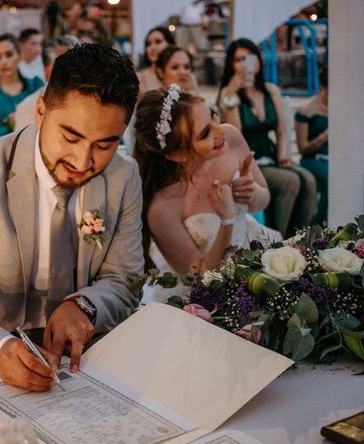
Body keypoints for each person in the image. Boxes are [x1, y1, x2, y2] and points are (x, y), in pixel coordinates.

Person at [0, 43, 143, 395]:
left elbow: (124, 279)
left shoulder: (124, 178)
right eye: (71, 136)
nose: (82, 161)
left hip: (83, 361)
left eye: (105, 145)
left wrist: (84, 306)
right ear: (40, 111)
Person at [135, 86, 274, 280]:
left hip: (258, 257)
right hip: (211, 293)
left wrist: (252, 193)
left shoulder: (231, 137)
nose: (220, 130)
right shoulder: (162, 208)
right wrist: (227, 219)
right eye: (205, 133)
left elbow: (264, 200)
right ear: (177, 154)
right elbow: (199, 278)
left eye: (213, 115)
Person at [218, 38, 316, 237]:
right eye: (238, 59)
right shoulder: (229, 95)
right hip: (248, 161)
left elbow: (281, 131)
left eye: (249, 57)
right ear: (231, 64)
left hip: (271, 155)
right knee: (290, 181)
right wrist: (233, 90)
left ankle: (299, 237)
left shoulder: (270, 90)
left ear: (259, 60)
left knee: (308, 179)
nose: (244, 63)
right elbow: (235, 134)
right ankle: (276, 239)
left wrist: (283, 156)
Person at [295, 66, 364, 224]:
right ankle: (323, 227)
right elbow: (302, 148)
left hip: (337, 158)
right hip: (313, 160)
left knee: (362, 178)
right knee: (334, 179)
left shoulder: (342, 108)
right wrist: (321, 138)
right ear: (323, 87)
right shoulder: (306, 111)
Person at [14, 35, 77, 132]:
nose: (72, 71)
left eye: (75, 65)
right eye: (63, 66)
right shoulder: (28, 108)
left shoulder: (95, 101)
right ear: (46, 72)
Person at [136, 26, 174, 97]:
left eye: (158, 42)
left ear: (170, 44)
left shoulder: (185, 73)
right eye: (148, 44)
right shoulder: (139, 78)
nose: (152, 48)